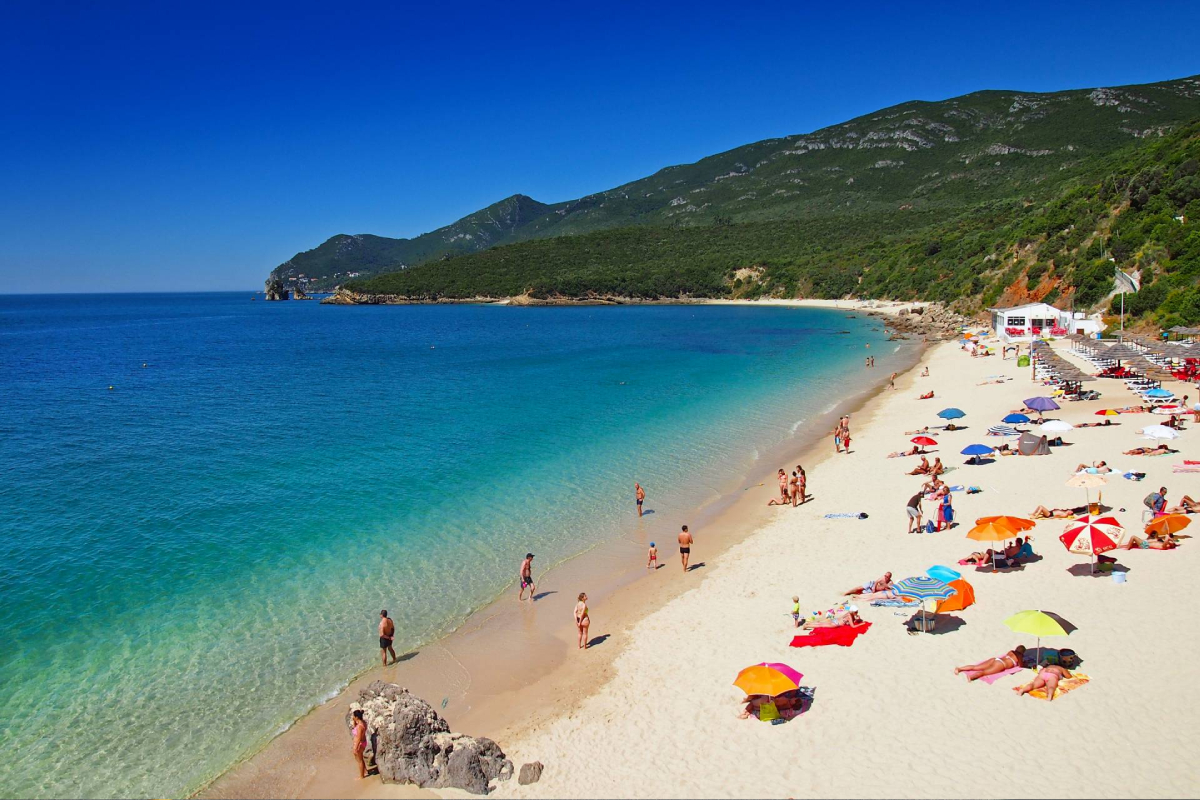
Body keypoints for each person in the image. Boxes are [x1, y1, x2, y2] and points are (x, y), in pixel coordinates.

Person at [953, 645, 1027, 681]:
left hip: (996, 659)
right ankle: (971, 677)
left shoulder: (1011, 651)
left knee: (976, 667)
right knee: (984, 672)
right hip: (1001, 665)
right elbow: (1020, 666)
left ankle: (959, 669)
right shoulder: (1019, 657)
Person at [799, 606, 865, 629]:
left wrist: (856, 617)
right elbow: (853, 626)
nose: (857, 613)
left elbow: (848, 620)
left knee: (821, 624)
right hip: (836, 623)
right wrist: (861, 624)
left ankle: (808, 624)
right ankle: (807, 626)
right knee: (821, 625)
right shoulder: (850, 617)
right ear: (853, 612)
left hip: (835, 620)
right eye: (856, 612)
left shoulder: (848, 613)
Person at [351, 709, 369, 779]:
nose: (353, 717)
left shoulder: (360, 727)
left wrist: (355, 748)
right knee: (360, 758)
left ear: (357, 717)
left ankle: (361, 776)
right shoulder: (363, 723)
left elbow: (358, 738)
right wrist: (354, 721)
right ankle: (365, 771)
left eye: (354, 716)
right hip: (363, 743)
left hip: (360, 744)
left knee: (359, 760)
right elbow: (355, 726)